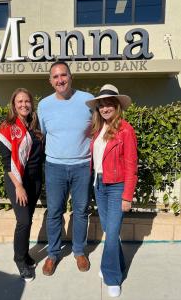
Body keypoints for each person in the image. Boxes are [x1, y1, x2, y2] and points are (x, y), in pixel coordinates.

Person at [37, 61, 93, 276]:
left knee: (80, 211)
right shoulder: (44, 105)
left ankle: (79, 251)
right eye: (55, 77)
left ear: (71, 76)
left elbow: (98, 127)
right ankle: (52, 254)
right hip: (55, 167)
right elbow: (42, 135)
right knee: (54, 212)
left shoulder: (88, 100)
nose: (60, 80)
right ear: (50, 81)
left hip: (82, 166)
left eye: (64, 75)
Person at [86, 84, 138, 298]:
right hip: (100, 185)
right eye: (101, 105)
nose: (105, 108)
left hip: (116, 187)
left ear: (117, 106)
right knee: (110, 230)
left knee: (111, 233)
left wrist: (127, 195)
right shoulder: (98, 131)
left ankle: (112, 276)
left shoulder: (126, 129)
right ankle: (119, 264)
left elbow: (131, 165)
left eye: (109, 104)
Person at [0, 88, 43, 282]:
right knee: (23, 221)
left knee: (29, 219)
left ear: (31, 103)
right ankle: (19, 260)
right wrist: (19, 186)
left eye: (27, 101)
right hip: (18, 181)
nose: (24, 104)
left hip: (35, 179)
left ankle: (24, 254)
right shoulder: (7, 127)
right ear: (14, 105)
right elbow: (7, 162)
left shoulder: (34, 125)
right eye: (19, 102)